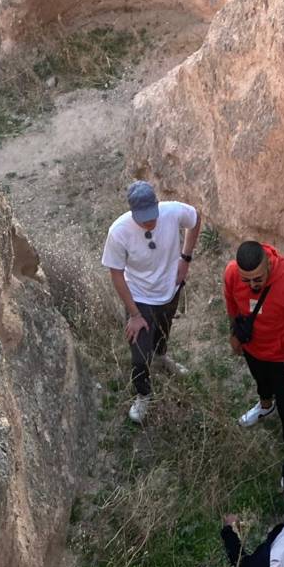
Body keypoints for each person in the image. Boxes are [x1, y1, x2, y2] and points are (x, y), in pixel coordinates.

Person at [102, 180, 201, 423]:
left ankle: (162, 357)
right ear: (132, 211)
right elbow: (116, 274)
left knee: (164, 332)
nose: (149, 222)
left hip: (170, 289)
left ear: (157, 204)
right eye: (143, 218)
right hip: (139, 297)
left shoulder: (172, 211)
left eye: (152, 214)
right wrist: (135, 315)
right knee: (139, 355)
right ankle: (143, 394)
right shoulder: (119, 232)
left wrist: (185, 259)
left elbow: (196, 219)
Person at [224, 239, 284, 457]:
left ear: (268, 264)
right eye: (246, 280)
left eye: (258, 279)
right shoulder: (231, 273)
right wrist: (234, 333)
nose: (252, 285)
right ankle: (265, 406)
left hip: (283, 357)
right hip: (252, 348)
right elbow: (231, 303)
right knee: (261, 382)